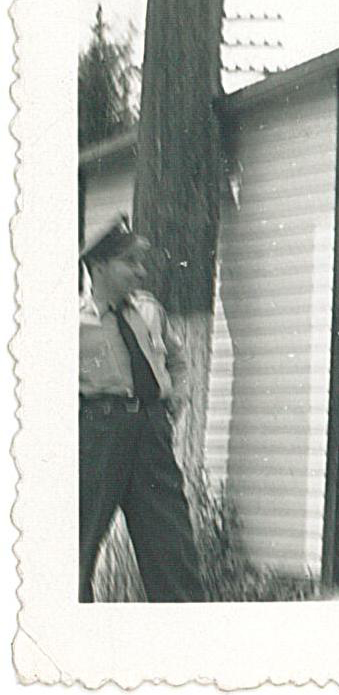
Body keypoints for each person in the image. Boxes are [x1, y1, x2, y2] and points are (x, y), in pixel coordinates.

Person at [78, 216, 205, 602]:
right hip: (97, 437)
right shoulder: (72, 322)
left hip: (151, 436)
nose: (141, 271)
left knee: (172, 546)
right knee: (76, 546)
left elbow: (178, 361)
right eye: (130, 262)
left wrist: (176, 401)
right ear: (99, 266)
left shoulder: (149, 311)